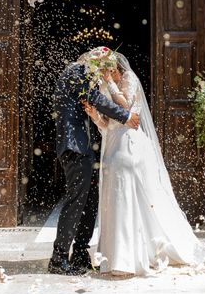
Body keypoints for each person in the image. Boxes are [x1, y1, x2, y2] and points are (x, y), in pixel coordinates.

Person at [84, 52, 205, 276]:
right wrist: (95, 115)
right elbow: (107, 124)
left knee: (129, 195)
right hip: (112, 145)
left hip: (129, 144)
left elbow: (125, 108)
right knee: (114, 196)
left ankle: (131, 256)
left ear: (113, 66)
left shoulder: (128, 79)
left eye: (106, 69)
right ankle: (116, 255)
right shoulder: (106, 86)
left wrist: (110, 84)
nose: (104, 74)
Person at [49, 47, 139, 275]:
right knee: (76, 202)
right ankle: (59, 259)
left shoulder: (82, 75)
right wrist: (126, 115)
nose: (101, 74)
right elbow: (96, 98)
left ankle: (79, 252)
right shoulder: (76, 72)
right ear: (93, 63)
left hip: (85, 148)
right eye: (100, 68)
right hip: (75, 148)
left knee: (89, 203)